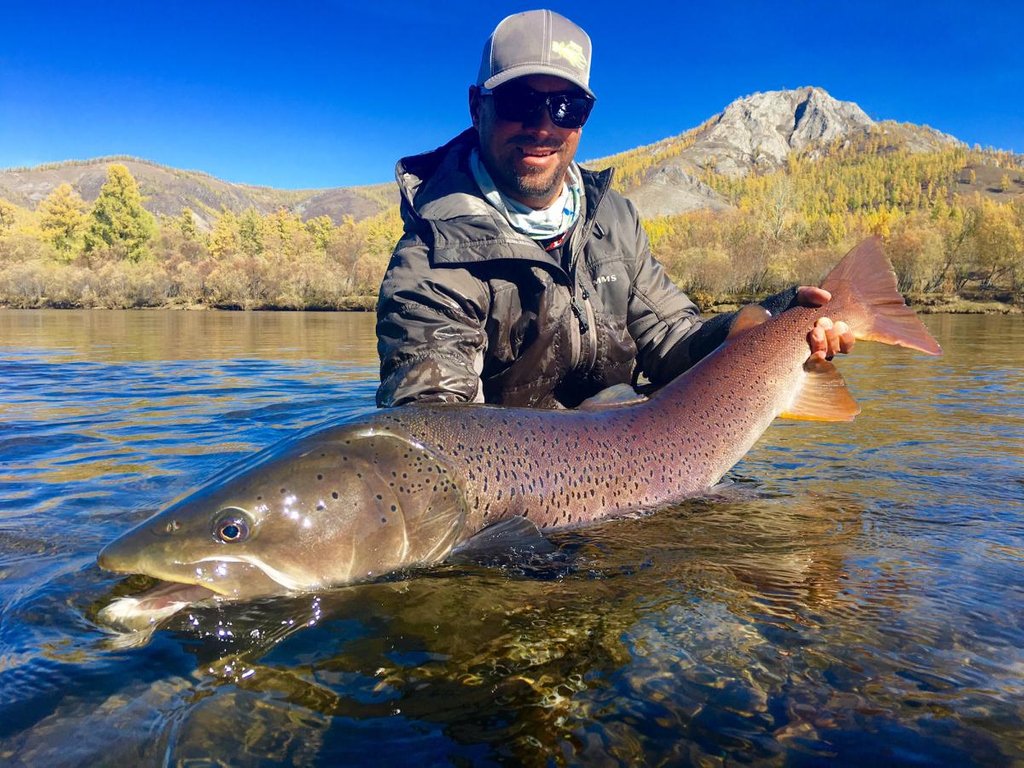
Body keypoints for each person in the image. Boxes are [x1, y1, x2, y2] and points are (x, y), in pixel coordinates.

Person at [376, 9, 852, 409]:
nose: (543, 127)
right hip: (531, 488)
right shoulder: (430, 259)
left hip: (633, 452)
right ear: (477, 108)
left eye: (567, 107)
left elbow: (671, 340)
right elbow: (434, 417)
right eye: (521, 102)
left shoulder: (614, 220)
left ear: (583, 121)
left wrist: (770, 321)